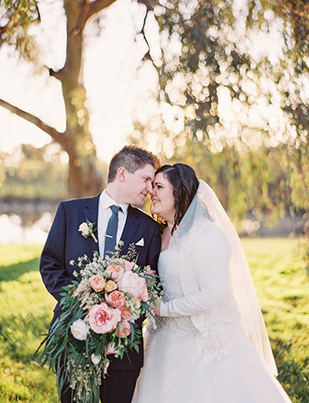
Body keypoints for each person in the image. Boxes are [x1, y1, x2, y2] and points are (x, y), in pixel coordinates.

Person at [132, 163, 291, 403]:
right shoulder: (159, 232)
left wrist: (165, 308)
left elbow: (216, 293)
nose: (151, 192)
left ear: (179, 191)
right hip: (162, 335)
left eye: (158, 186)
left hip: (200, 339)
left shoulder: (206, 234)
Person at [40, 145, 161, 403]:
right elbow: (50, 265)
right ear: (122, 173)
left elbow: (153, 284)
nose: (150, 189)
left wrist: (124, 317)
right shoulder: (70, 212)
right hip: (73, 336)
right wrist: (79, 303)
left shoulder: (149, 229)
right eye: (146, 179)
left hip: (123, 347)